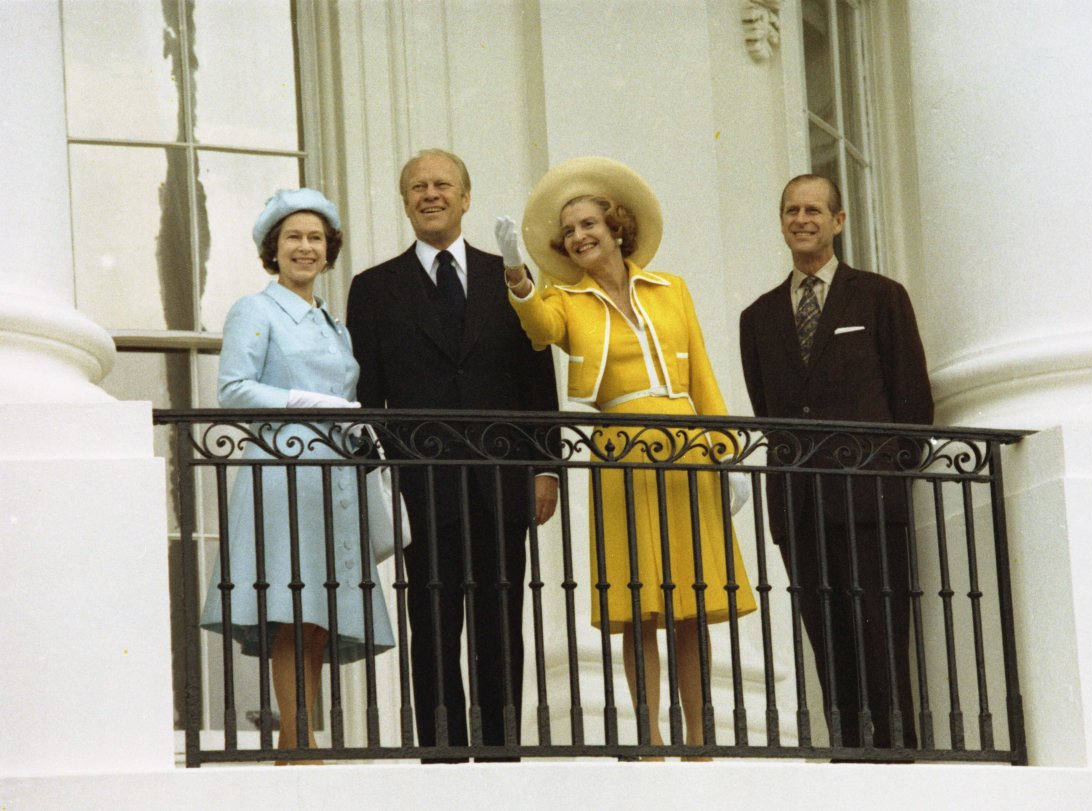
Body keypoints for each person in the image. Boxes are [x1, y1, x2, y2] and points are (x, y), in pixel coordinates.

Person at [500, 156, 756, 752]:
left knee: (693, 601)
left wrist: (728, 451)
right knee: (638, 604)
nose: (580, 236)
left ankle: (700, 735)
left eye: (589, 223)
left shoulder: (673, 291)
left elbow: (704, 381)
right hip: (621, 450)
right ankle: (650, 734)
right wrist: (517, 274)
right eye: (569, 231)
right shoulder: (568, 299)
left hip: (689, 449)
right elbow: (538, 327)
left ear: (617, 227)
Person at [345, 149, 559, 759]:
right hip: (422, 484)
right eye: (417, 186)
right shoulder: (374, 288)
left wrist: (546, 468)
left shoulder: (509, 277)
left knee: (501, 626)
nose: (430, 194)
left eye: (443, 185)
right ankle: (442, 760)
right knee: (433, 629)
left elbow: (536, 379)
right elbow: (368, 396)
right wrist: (383, 479)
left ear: (466, 198)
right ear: (406, 201)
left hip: (502, 481)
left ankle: (500, 755)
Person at [739, 174, 934, 751]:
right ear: (781, 222)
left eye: (815, 210)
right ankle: (849, 754)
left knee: (882, 637)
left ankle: (897, 759)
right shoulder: (758, 317)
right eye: (792, 211)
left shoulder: (879, 296)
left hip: (871, 500)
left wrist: (891, 472)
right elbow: (770, 411)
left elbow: (912, 399)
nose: (803, 220)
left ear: (839, 221)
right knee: (828, 642)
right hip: (800, 508)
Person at [199, 188, 396, 760]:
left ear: (328, 250)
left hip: (332, 476)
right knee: (292, 606)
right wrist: (303, 401)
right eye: (293, 238)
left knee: (320, 615)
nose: (305, 248)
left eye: (315, 239)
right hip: (284, 470)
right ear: (273, 249)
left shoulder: (333, 323)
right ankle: (296, 735)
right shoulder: (256, 310)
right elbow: (234, 389)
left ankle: (301, 731)